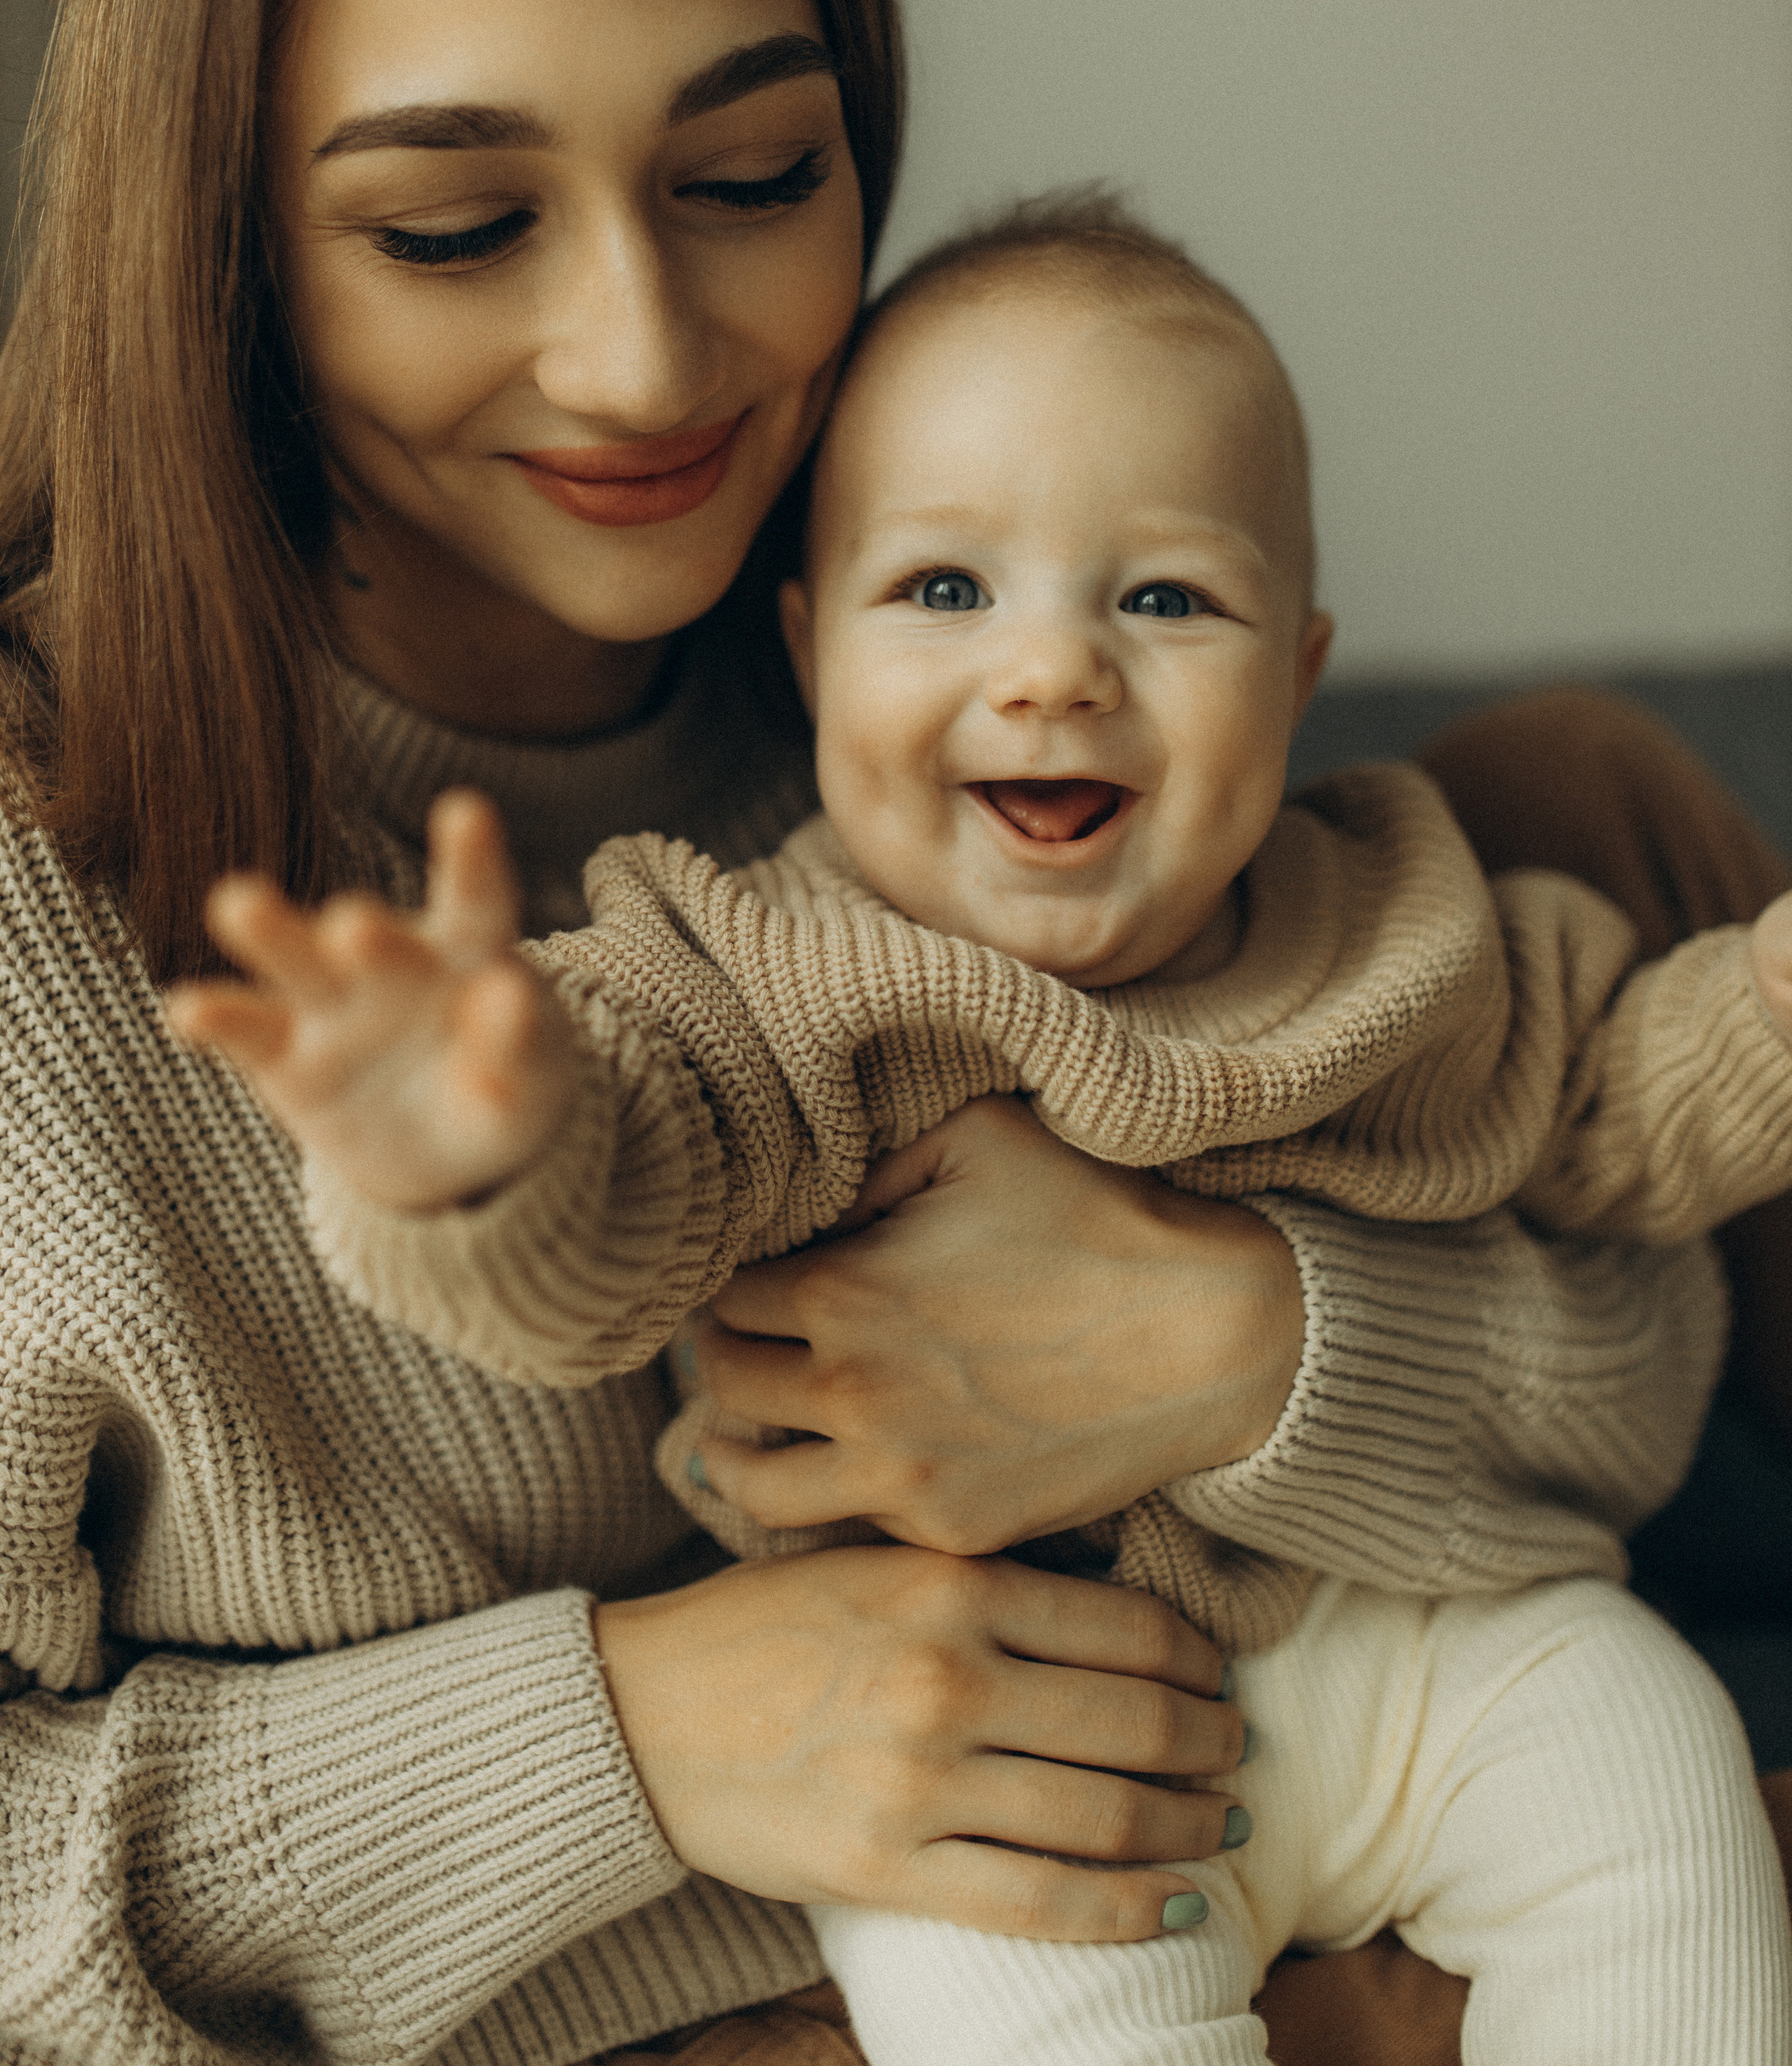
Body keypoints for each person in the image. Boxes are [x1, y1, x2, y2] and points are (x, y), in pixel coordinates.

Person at [0, 0, 1746, 2066]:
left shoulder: (938, 665)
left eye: (751, 180)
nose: (647, 359)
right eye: (457, 227)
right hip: (762, 1997)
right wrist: (635, 1734)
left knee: (1583, 802)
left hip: (1345, 1775)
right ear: (227, 259)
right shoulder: (48, 908)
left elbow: (1591, 1272)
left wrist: (1244, 1344)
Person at [178, 204, 1792, 2064]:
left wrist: (1753, 1007)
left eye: (1165, 600)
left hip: (1432, 1637)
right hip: (1004, 1733)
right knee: (1012, 2000)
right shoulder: (761, 972)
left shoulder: (1408, 917)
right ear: (807, 651)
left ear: (1299, 667)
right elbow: (610, 1229)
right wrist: (474, 1153)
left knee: (1651, 1754)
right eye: (947, 592)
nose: (1053, 672)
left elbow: (1607, 1108)